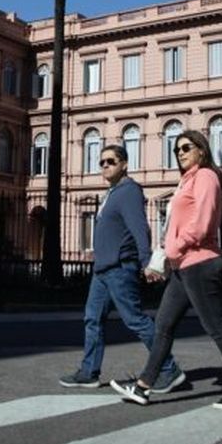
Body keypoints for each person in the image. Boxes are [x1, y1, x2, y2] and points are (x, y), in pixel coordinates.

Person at [110, 131, 222, 410]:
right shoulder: (187, 180)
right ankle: (143, 387)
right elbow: (175, 225)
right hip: (183, 265)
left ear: (201, 150)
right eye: (177, 149)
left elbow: (201, 224)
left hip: (200, 263)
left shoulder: (206, 178)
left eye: (187, 147)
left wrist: (173, 249)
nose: (181, 152)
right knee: (163, 325)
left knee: (216, 327)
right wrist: (165, 256)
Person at [59, 145, 185, 393]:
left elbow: (140, 228)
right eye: (102, 162)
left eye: (111, 161)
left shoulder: (128, 192)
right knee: (92, 319)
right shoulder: (112, 193)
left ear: (124, 164)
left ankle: (169, 370)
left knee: (135, 320)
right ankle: (89, 372)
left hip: (119, 268)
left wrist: (145, 261)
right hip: (102, 270)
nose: (105, 165)